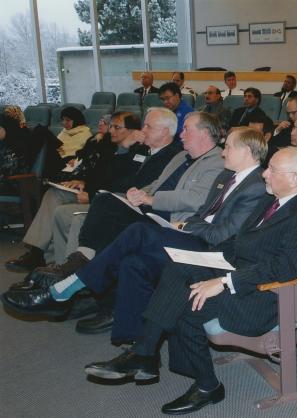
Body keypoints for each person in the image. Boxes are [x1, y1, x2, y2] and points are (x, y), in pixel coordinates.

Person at [80, 146, 297, 416]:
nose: (264, 174)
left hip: (263, 296)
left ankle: (207, 385)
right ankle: (145, 352)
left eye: (272, 170)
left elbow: (284, 269)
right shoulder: (272, 201)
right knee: (176, 268)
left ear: (293, 178)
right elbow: (238, 243)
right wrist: (205, 261)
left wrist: (223, 281)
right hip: (239, 274)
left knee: (189, 303)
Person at [19, 128, 268, 341]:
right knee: (132, 262)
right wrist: (187, 225)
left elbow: (223, 235)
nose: (224, 151)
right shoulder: (226, 176)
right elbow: (202, 212)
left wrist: (188, 227)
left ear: (246, 151)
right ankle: (135, 345)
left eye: (229, 147)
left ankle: (68, 286)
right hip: (195, 237)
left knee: (138, 230)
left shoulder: (256, 186)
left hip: (214, 252)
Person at [3, 111, 224, 314]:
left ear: (204, 133)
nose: (182, 134)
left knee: (105, 203)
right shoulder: (181, 157)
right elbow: (156, 183)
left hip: (171, 221)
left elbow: (197, 199)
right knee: (105, 200)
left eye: (187, 129)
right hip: (149, 209)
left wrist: (151, 198)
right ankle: (68, 274)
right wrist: (139, 193)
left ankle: (75, 269)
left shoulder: (216, 161)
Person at [5, 110, 176, 279]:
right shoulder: (135, 148)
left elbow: (126, 184)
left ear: (165, 131)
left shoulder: (158, 154)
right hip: (102, 193)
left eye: (148, 126)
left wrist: (123, 150)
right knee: (54, 196)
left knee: (70, 216)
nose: (143, 130)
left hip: (118, 202)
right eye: (111, 126)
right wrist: (86, 182)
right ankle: (47, 261)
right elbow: (104, 173)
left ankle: (68, 276)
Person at [0, 112, 34, 194]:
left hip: (16, 183)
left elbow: (10, 169)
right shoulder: (5, 142)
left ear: (5, 127)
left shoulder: (16, 144)